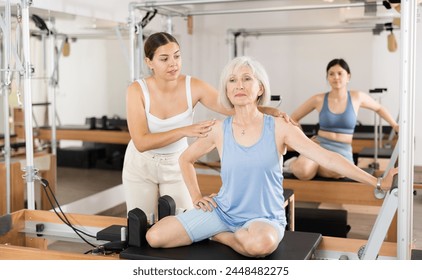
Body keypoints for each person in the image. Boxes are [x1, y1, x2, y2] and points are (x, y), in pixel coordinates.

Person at [145, 56, 397, 258]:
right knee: (155, 237)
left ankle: (219, 235)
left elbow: (328, 158)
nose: (239, 85)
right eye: (232, 80)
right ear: (226, 89)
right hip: (223, 210)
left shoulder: (279, 127)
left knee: (259, 245)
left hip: (264, 218)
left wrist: (377, 182)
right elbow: (185, 159)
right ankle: (224, 231)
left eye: (246, 79)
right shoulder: (219, 129)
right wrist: (197, 196)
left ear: (260, 88)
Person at [122, 32, 287, 221]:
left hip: (176, 163)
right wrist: (185, 131)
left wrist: (270, 111)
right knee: (140, 222)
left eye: (177, 56)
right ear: (149, 62)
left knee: (181, 220)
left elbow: (232, 108)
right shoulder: (136, 90)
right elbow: (141, 142)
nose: (173, 63)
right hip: (141, 165)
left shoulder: (193, 86)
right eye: (164, 59)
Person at [284, 58, 399, 180]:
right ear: (327, 78)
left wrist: (395, 125)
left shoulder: (357, 97)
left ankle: (309, 163)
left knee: (338, 171)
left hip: (342, 150)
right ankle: (293, 164)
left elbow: (379, 108)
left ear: (348, 76)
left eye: (340, 73)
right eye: (331, 74)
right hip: (319, 146)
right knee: (303, 172)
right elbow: (293, 118)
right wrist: (305, 142)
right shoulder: (318, 99)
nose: (336, 77)